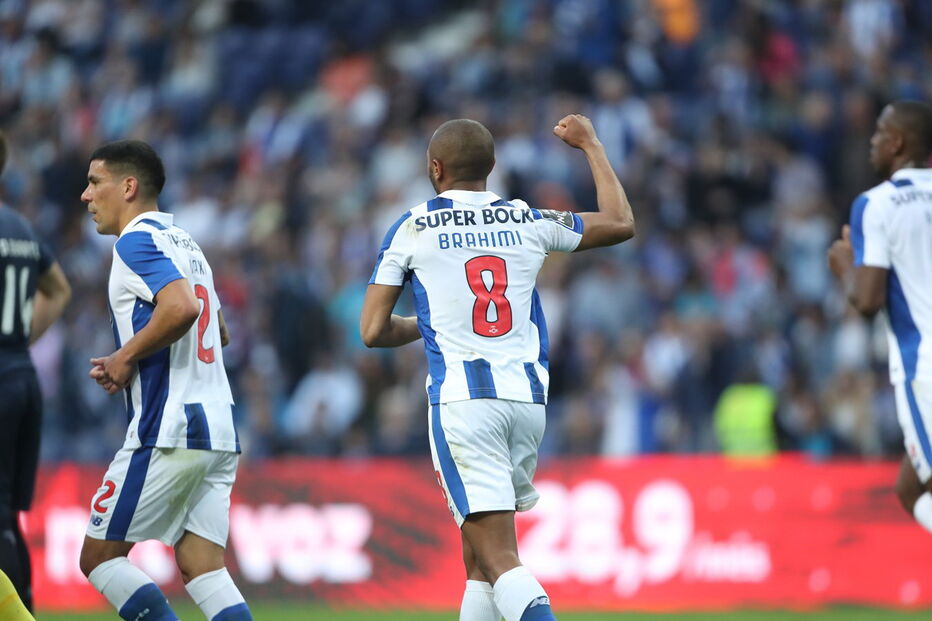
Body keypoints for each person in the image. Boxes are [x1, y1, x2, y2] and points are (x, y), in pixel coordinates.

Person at [360, 115, 635, 621]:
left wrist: (432, 323)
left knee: (498, 557)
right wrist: (592, 145)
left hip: (466, 403)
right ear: (491, 168)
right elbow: (619, 222)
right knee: (478, 562)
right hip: (527, 402)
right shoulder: (527, 219)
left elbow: (373, 330)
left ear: (435, 168)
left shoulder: (414, 225)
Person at [78, 140, 251, 620]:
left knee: (98, 559)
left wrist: (125, 356)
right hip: (217, 428)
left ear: (128, 187)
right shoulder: (188, 245)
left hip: (169, 429)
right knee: (204, 568)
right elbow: (219, 328)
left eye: (95, 182)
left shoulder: (135, 242)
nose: (85, 196)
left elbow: (183, 308)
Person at [828, 100, 932, 533]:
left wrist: (845, 267)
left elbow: (867, 300)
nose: (871, 142)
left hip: (923, 365)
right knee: (910, 489)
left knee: (924, 481)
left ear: (898, 142)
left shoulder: (877, 204)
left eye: (878, 133)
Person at [0, 130, 71, 612]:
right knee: (8, 511)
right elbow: (59, 288)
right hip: (22, 378)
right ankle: (23, 603)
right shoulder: (19, 227)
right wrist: (23, 336)